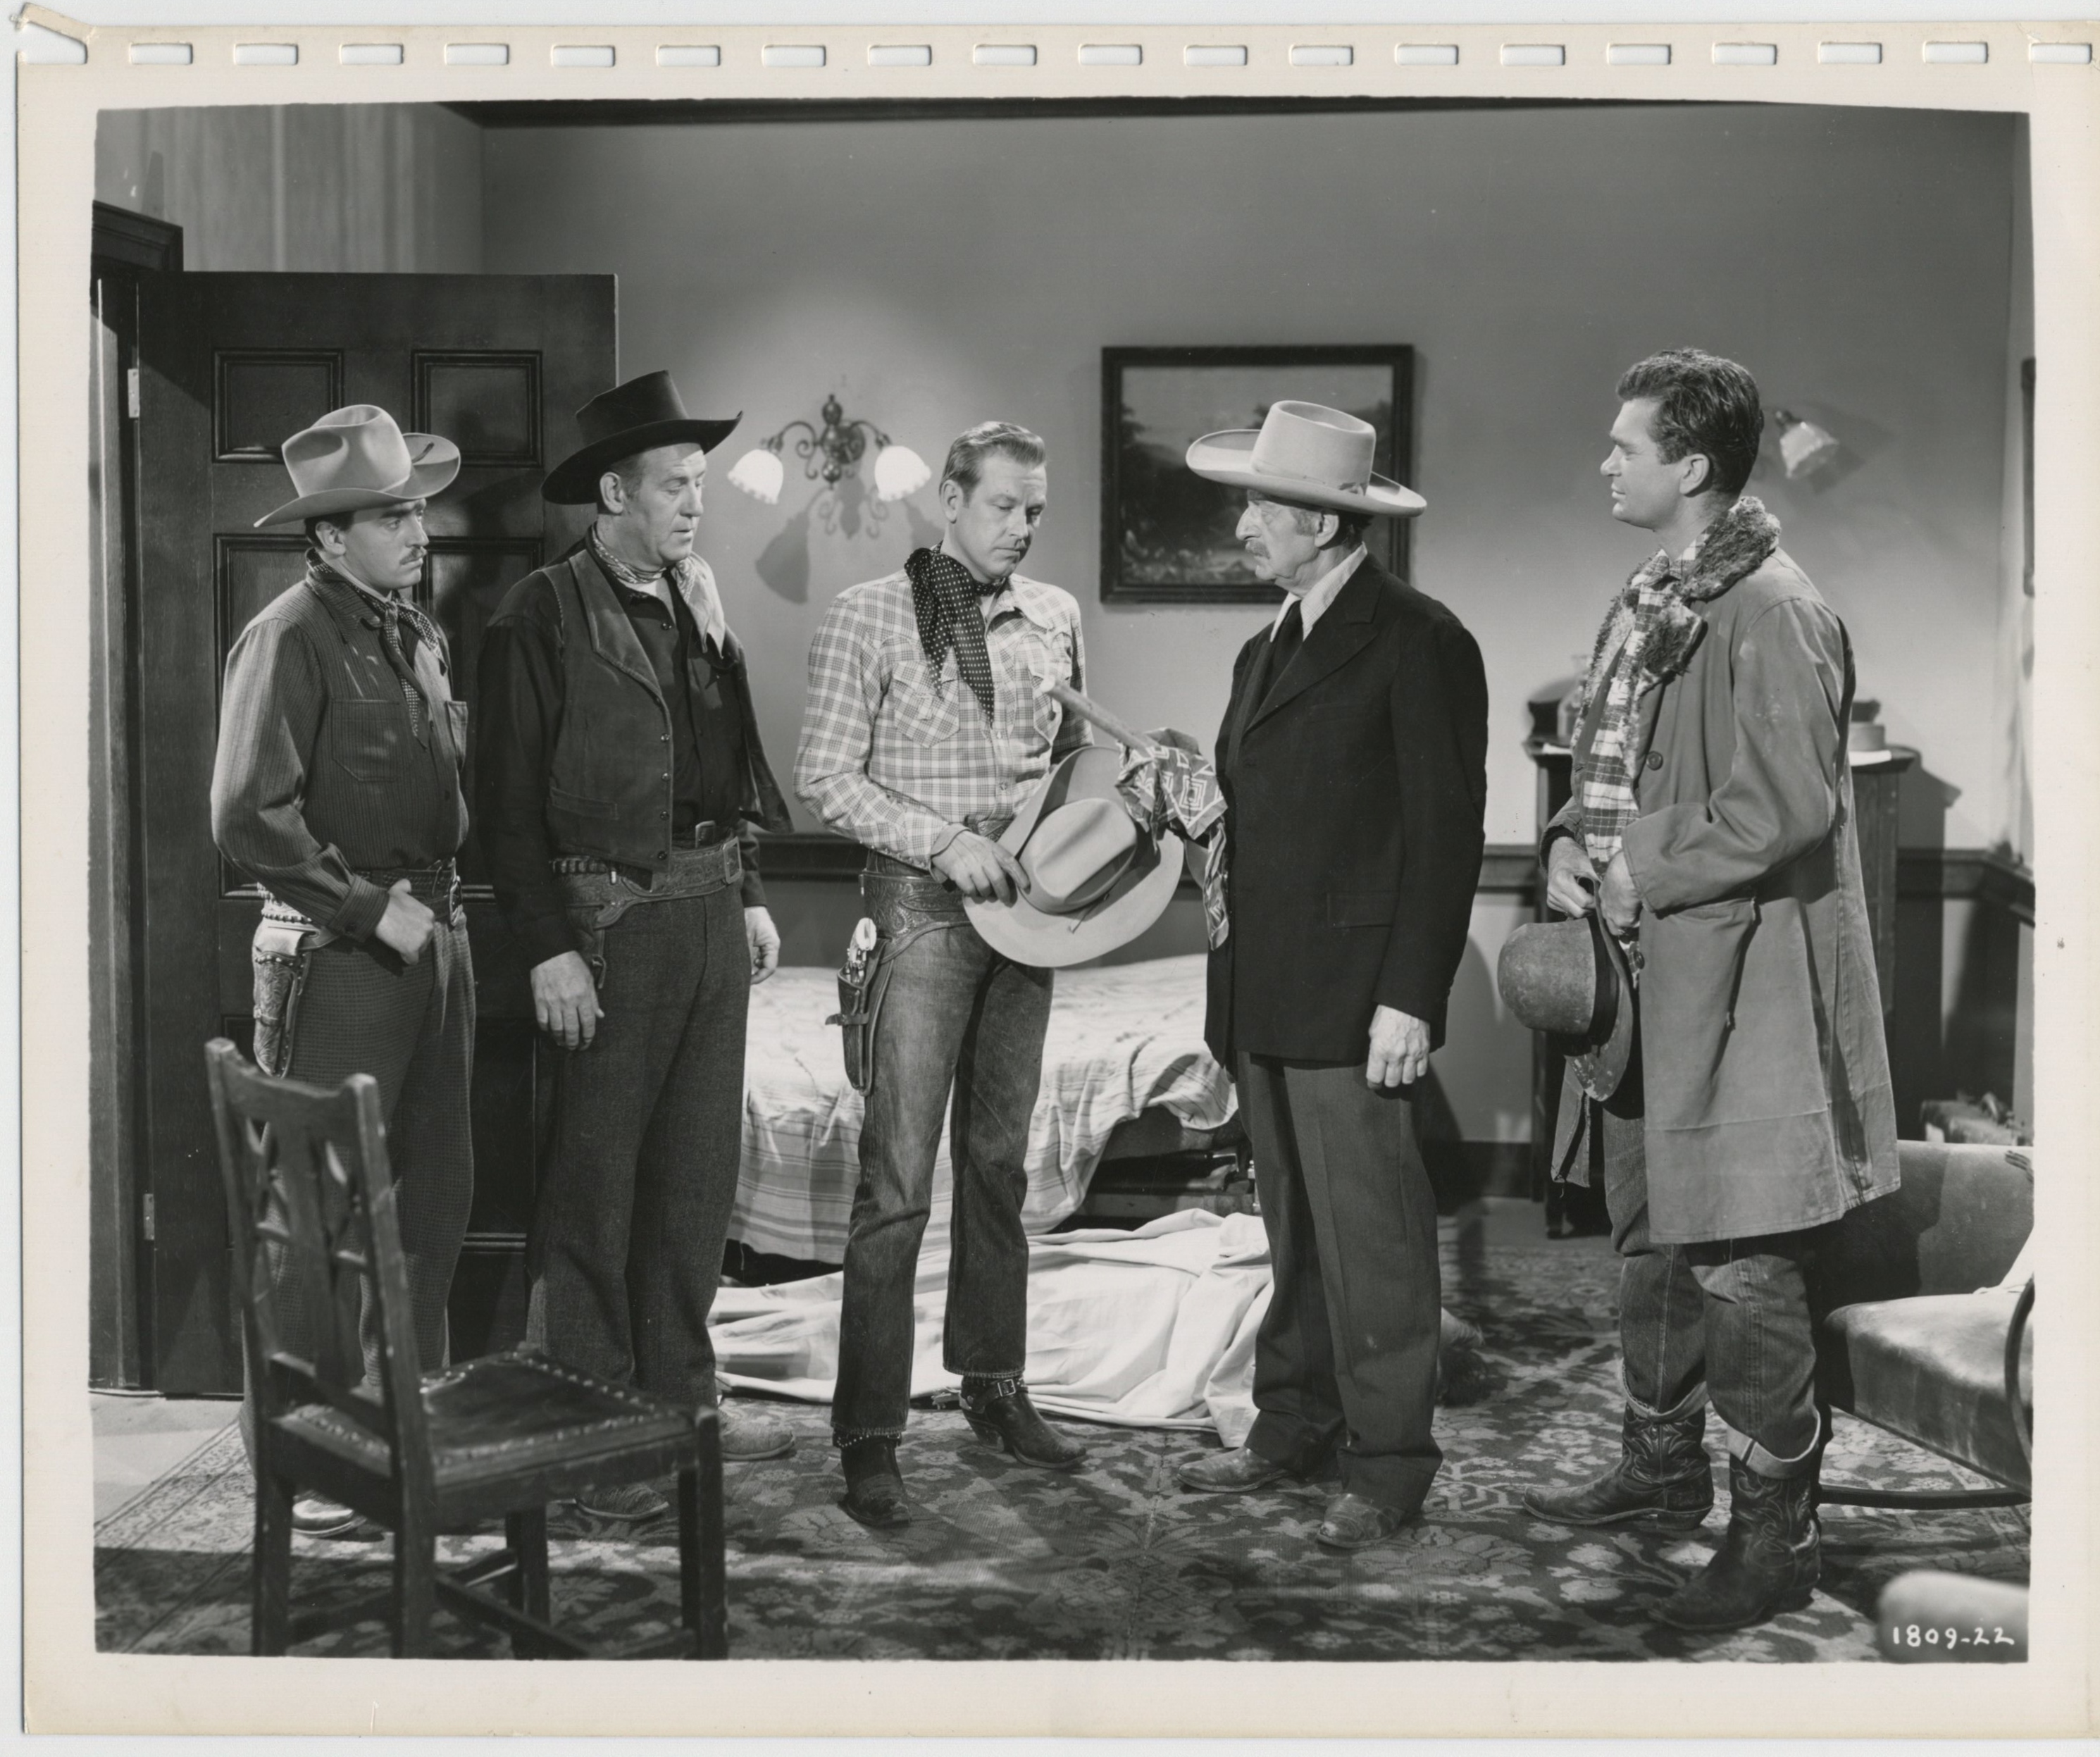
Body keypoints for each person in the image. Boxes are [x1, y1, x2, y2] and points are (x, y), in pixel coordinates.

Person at [1520, 348, 1899, 1630]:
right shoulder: (1649, 595)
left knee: (1742, 1263)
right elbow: (1610, 764)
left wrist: (1635, 861)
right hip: (1646, 977)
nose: (1607, 463)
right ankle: (1660, 1468)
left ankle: (1769, 1534)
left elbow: (1788, 802)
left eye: (1624, 445)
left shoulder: (1771, 606)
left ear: (1688, 465)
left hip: (1742, 983)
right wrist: (1573, 839)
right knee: (1648, 1234)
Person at [476, 371, 796, 1520]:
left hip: (710, 911)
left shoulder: (701, 601)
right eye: (675, 484)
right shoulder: (540, 614)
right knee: (595, 1192)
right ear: (614, 491)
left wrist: (750, 889)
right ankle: (591, 1428)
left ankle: (681, 1405)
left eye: (699, 484)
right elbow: (505, 809)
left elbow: (725, 767)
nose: (694, 504)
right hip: (605, 922)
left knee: (692, 1186)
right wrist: (547, 950)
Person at [1174, 401, 1489, 1552]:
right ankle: (1291, 1422)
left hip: (1358, 998)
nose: (1244, 526)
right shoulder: (1266, 648)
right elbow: (1263, 818)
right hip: (1263, 987)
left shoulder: (1419, 639)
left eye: (1259, 506)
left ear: (1318, 519)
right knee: (1291, 1227)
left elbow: (1446, 834)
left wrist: (1410, 995)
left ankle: (1390, 1459)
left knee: (1373, 1238)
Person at [795, 421, 1097, 1529]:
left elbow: (1067, 768)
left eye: (1035, 512)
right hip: (920, 905)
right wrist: (938, 841)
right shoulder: (868, 615)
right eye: (1005, 506)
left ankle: (994, 1382)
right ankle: (868, 1434)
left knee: (999, 1164)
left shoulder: (1055, 617)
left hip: (1026, 911)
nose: (1021, 527)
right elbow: (823, 776)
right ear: (952, 503)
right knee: (897, 1181)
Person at [211, 404, 474, 1538]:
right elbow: (246, 814)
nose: (418, 530)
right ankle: (317, 1454)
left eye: (417, 508)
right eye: (388, 515)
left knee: (433, 1194)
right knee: (318, 1206)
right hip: (344, 948)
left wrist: (426, 919)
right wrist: (370, 909)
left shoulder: (413, 629)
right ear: (326, 536)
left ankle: (404, 1425)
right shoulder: (289, 635)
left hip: (437, 936)